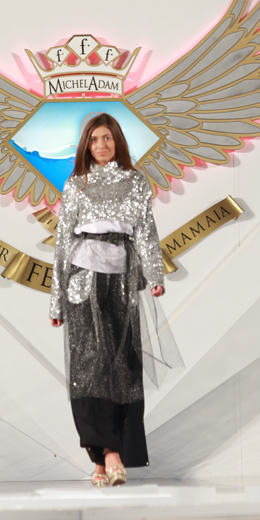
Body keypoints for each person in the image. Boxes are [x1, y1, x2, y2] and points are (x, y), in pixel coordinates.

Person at [49, 112, 170, 488]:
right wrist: (56, 300)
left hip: (121, 281)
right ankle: (109, 452)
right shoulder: (77, 184)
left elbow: (146, 230)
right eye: (94, 139)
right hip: (83, 283)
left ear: (117, 141)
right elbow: (63, 241)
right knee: (89, 367)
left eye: (107, 138)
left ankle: (103, 461)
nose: (101, 145)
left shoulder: (135, 181)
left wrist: (155, 274)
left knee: (121, 367)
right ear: (86, 145)